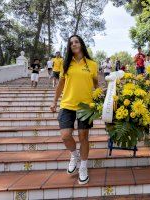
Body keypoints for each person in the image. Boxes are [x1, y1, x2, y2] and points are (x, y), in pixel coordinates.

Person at [50, 35, 98, 185]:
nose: (74, 44)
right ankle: (74, 155)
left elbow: (96, 84)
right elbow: (60, 85)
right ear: (69, 47)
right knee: (65, 135)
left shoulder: (92, 64)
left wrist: (102, 98)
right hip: (67, 105)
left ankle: (83, 167)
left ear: (82, 44)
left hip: (86, 106)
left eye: (76, 41)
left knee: (84, 137)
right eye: (71, 43)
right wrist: (54, 102)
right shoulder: (66, 64)